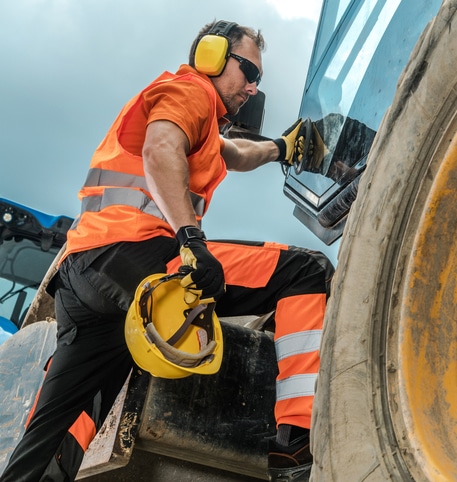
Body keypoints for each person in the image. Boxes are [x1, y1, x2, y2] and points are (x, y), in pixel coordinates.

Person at [0, 19, 332, 482]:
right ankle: (295, 445)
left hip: (84, 273)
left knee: (65, 416)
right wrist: (191, 239)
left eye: (259, 80)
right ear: (212, 56)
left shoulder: (201, 119)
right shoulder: (190, 90)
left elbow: (235, 154)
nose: (253, 89)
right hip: (135, 255)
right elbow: (160, 149)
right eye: (248, 73)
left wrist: (281, 148)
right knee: (304, 271)